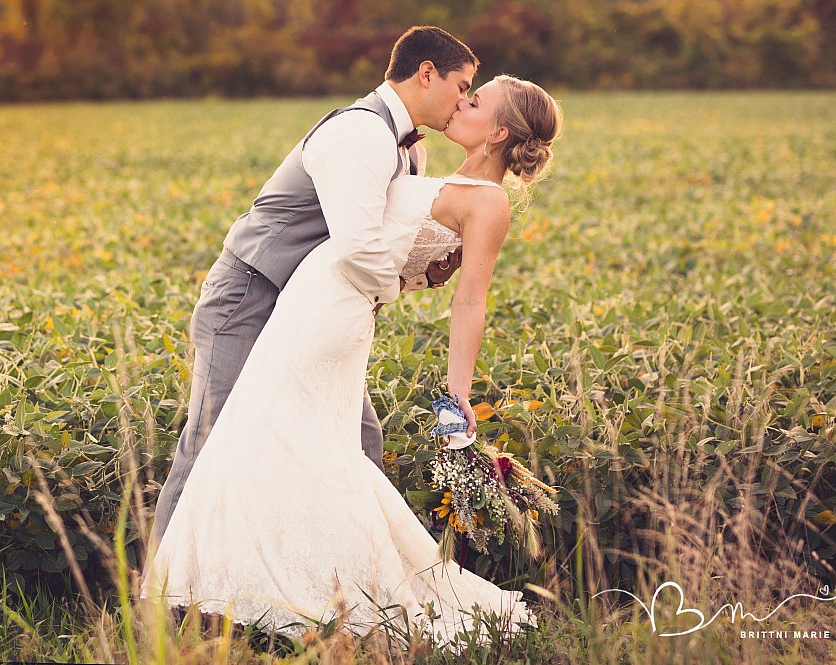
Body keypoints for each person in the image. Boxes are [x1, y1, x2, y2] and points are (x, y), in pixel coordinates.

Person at [141, 74, 563, 652]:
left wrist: (457, 394)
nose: (462, 101)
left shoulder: (488, 202)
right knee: (274, 439)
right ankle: (233, 590)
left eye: (476, 98)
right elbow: (404, 252)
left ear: (498, 131)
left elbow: (470, 301)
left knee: (293, 444)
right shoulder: (421, 165)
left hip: (329, 317)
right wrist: (412, 273)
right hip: (310, 301)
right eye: (465, 87)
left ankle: (297, 594)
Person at [149, 26, 479, 551]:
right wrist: (395, 285)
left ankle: (353, 590)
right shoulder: (360, 133)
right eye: (462, 86)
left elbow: (374, 246)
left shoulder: (410, 152)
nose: (465, 101)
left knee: (358, 441)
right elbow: (358, 249)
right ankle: (161, 594)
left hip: (307, 313)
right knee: (213, 440)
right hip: (249, 298)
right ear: (425, 73)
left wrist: (422, 272)